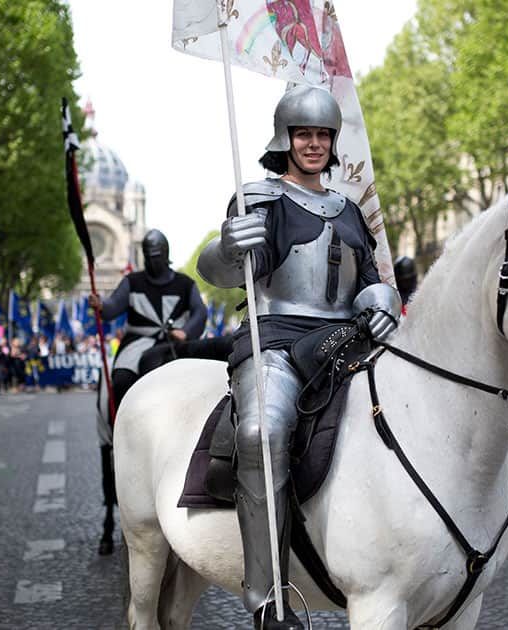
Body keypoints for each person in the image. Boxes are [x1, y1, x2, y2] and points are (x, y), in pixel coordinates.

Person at [196, 85, 401, 629]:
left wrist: (380, 298)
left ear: (334, 143)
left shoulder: (352, 210)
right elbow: (220, 271)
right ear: (285, 139)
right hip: (277, 341)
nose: (313, 144)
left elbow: (373, 281)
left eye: (323, 135)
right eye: (304, 134)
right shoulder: (259, 197)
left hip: (348, 341)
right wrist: (226, 248)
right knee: (261, 432)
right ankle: (268, 599)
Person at [88, 228, 207, 555]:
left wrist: (187, 331)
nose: (153, 260)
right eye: (149, 254)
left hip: (173, 342)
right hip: (136, 345)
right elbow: (113, 308)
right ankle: (118, 430)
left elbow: (200, 312)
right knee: (120, 380)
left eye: (158, 254)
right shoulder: (132, 281)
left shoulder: (184, 283)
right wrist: (101, 305)